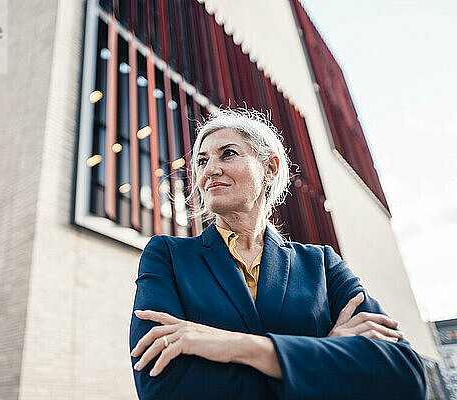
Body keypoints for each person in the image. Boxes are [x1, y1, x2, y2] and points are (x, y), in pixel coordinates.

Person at [129, 108, 426, 399]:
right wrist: (322, 354)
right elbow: (160, 385)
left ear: (269, 168)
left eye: (227, 153)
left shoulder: (321, 264)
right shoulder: (167, 256)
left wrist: (235, 346)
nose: (209, 170)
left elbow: (404, 376)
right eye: (202, 161)